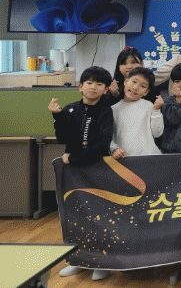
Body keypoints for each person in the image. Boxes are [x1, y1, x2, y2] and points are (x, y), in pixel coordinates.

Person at [49, 66, 113, 281]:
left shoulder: (106, 111)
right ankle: (78, 260)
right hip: (74, 173)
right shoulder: (70, 109)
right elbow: (63, 138)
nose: (93, 87)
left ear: (105, 89)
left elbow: (102, 144)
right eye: (89, 83)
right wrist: (57, 115)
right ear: (80, 86)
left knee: (101, 216)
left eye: (99, 84)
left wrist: (74, 158)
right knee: (76, 216)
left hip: (96, 169)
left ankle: (102, 263)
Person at [110, 67, 164, 158]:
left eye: (142, 86)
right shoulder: (113, 109)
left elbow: (157, 133)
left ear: (146, 92)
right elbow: (107, 136)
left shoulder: (149, 106)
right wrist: (113, 149)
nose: (135, 88)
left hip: (150, 157)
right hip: (124, 158)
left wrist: (156, 111)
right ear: (126, 82)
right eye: (134, 82)